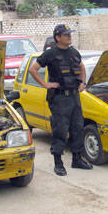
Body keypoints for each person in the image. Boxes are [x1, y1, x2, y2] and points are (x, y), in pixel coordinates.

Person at [29, 24, 93, 176]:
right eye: (66, 34)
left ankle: (77, 159)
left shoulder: (73, 52)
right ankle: (58, 163)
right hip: (59, 98)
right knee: (60, 130)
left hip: (74, 97)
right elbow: (33, 69)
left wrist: (83, 83)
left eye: (70, 34)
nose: (69, 36)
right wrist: (45, 84)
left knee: (77, 128)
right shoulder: (50, 53)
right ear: (58, 37)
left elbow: (82, 68)